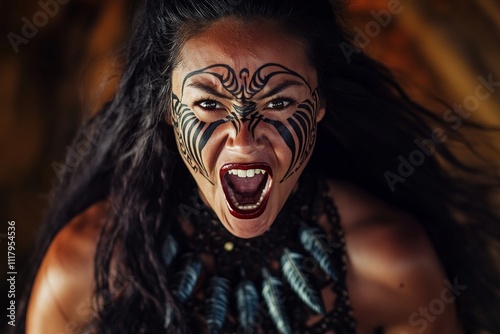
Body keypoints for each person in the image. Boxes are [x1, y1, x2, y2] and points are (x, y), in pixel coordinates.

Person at [17, 0, 500, 333]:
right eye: (208, 104)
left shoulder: (393, 265)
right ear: (166, 109)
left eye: (279, 102)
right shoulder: (82, 270)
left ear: (320, 102)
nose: (244, 137)